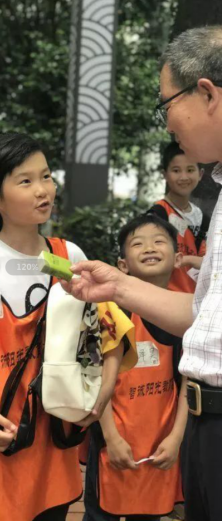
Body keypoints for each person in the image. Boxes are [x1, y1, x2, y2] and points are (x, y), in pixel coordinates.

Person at [0, 133, 135, 521]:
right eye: (25, 181)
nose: (43, 190)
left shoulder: (69, 256)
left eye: (47, 176)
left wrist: (102, 395)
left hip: (55, 444)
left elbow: (111, 334)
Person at [63, 26, 222, 521]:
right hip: (206, 422)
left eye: (166, 103)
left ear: (207, 94)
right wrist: (119, 286)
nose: (167, 121)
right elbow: (204, 316)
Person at [83, 214, 187, 521]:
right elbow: (95, 379)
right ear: (122, 265)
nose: (149, 248)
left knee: (150, 515)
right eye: (138, 244)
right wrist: (111, 438)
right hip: (112, 442)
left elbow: (187, 383)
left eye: (159, 241)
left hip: (161, 446)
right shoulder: (112, 313)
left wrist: (176, 439)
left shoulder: (186, 317)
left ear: (178, 257)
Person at [147, 141, 207, 293]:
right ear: (164, 174)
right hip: (164, 300)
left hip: (196, 303)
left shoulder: (205, 219)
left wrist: (189, 260)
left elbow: (211, 263)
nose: (184, 176)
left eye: (190, 169)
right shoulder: (156, 215)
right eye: (176, 170)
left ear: (200, 174)